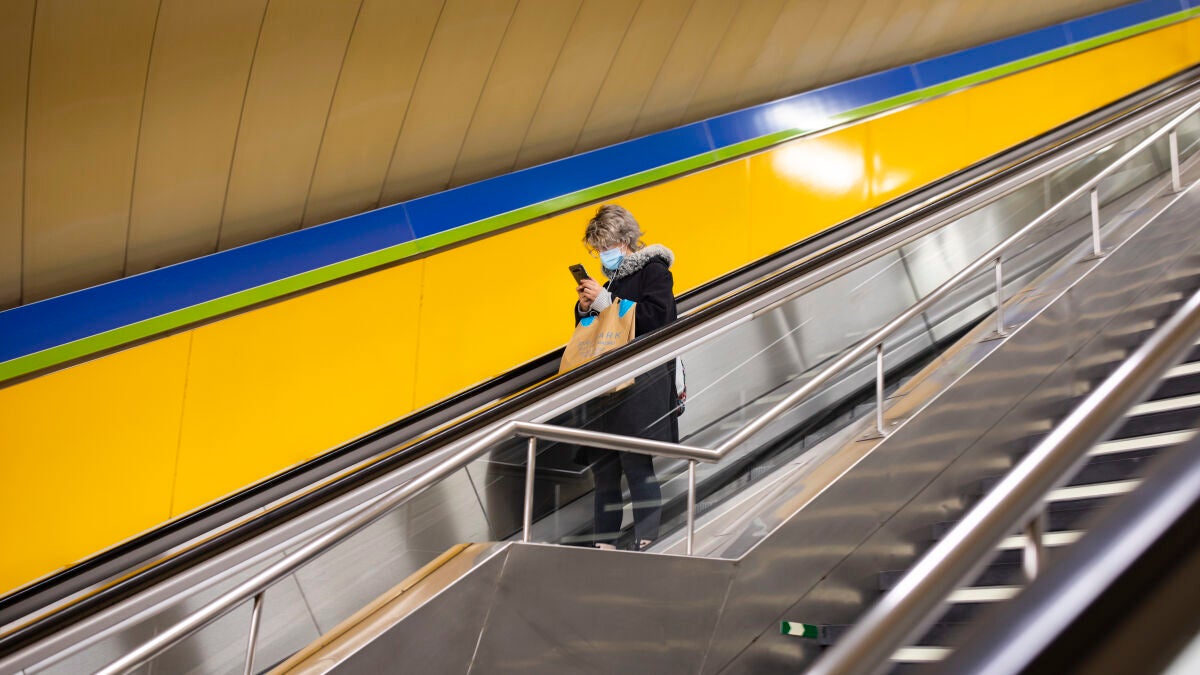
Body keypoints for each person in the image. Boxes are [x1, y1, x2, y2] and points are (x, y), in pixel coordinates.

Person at [574, 204, 679, 551]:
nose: (604, 254)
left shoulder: (654, 271)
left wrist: (608, 302)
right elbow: (593, 335)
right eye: (598, 249)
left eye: (607, 246)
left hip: (639, 385)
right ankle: (603, 544)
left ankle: (647, 538)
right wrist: (585, 308)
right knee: (604, 472)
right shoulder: (610, 282)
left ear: (626, 240)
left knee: (636, 465)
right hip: (607, 388)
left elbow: (658, 318)